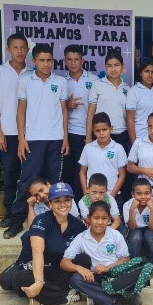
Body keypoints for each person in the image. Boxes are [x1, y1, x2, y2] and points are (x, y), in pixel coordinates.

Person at [4, 43, 69, 239]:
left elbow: (64, 110)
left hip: (55, 139)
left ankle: (55, 221)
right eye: (42, 60)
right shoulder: (26, 80)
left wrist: (65, 137)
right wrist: (21, 139)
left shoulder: (60, 82)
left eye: (49, 60)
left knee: (53, 183)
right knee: (27, 181)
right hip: (32, 139)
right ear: (34, 61)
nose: (46, 64)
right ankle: (16, 220)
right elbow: (21, 111)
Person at [10, 183, 89, 305]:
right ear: (50, 204)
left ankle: (42, 298)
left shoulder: (78, 225)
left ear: (71, 202)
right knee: (19, 279)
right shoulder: (41, 221)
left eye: (67, 200)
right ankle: (67, 296)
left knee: (84, 259)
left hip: (63, 270)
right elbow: (37, 252)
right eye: (57, 201)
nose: (63, 204)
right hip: (43, 269)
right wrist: (39, 281)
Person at [61, 201, 151, 305]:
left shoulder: (115, 235)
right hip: (96, 277)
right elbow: (64, 262)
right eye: (96, 218)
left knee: (143, 266)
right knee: (75, 279)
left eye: (104, 218)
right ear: (89, 218)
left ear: (109, 219)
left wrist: (108, 267)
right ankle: (116, 299)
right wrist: (79, 268)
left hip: (115, 274)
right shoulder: (81, 238)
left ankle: (96, 297)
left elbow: (125, 258)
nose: (100, 222)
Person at [0, 33, 29, 230]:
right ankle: (11, 213)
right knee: (11, 173)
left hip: (31, 133)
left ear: (28, 50)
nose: (19, 51)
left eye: (23, 47)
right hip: (8, 132)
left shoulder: (32, 73)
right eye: (15, 47)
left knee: (29, 174)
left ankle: (28, 211)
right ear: (8, 49)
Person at [62, 45, 99, 202]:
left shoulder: (94, 80)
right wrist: (67, 105)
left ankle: (82, 205)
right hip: (68, 134)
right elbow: (55, 108)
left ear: (82, 60)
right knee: (68, 172)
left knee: (83, 172)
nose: (73, 63)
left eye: (76, 59)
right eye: (69, 59)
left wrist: (90, 135)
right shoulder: (62, 81)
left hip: (88, 134)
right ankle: (68, 206)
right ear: (65, 61)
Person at [79, 112, 127, 210]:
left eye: (104, 129)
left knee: (115, 218)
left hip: (113, 194)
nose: (101, 133)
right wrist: (85, 192)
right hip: (92, 196)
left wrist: (111, 196)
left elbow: (122, 174)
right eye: (98, 130)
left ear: (111, 129)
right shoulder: (88, 148)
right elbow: (82, 172)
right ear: (93, 131)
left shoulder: (118, 148)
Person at [86, 51, 130, 150]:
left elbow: (129, 117)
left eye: (116, 65)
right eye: (109, 66)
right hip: (101, 135)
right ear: (105, 67)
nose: (113, 69)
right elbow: (90, 114)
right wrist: (88, 138)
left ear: (122, 66)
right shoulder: (97, 85)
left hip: (121, 135)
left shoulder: (127, 89)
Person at [126, 60, 153, 144]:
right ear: (141, 73)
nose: (150, 75)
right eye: (147, 71)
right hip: (140, 137)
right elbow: (130, 120)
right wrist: (134, 143)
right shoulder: (134, 91)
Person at [122, 178, 153, 267]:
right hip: (134, 229)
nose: (143, 197)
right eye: (139, 194)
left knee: (149, 237)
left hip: (148, 229)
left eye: (146, 193)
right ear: (132, 194)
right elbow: (132, 227)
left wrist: (152, 209)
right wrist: (132, 209)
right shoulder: (127, 205)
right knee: (136, 236)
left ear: (151, 193)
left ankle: (152, 265)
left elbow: (152, 227)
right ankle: (135, 265)